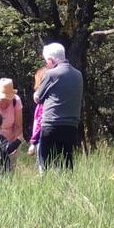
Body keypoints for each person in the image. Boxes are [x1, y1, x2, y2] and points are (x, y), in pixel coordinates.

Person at [33, 42, 84, 170]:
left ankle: (48, 188)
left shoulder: (51, 74)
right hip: (71, 126)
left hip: (51, 124)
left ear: (51, 60)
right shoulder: (78, 74)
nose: (46, 65)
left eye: (46, 62)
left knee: (46, 165)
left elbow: (38, 97)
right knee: (66, 162)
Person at [0, 77, 23, 170]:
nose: (4, 102)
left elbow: (18, 125)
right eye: (2, 99)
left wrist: (15, 144)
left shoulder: (16, 101)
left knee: (9, 169)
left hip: (11, 138)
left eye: (7, 99)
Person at [27, 66, 46, 159]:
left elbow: (39, 123)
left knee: (43, 168)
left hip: (43, 138)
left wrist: (33, 143)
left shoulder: (42, 104)